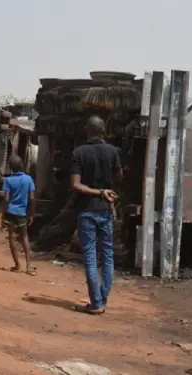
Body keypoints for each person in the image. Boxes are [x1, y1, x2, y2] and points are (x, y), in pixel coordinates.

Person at [70, 115, 122, 315]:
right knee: (107, 255)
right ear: (104, 131)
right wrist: (105, 190)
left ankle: (96, 303)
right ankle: (102, 299)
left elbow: (75, 185)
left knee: (91, 257)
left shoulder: (79, 153)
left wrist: (97, 191)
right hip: (105, 209)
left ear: (87, 131)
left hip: (86, 211)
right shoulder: (112, 152)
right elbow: (119, 177)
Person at [2, 156, 36, 276]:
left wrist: (3, 215)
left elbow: (6, 199)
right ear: (22, 165)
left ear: (11, 168)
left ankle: (17, 264)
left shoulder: (8, 180)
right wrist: (31, 213)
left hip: (11, 212)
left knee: (12, 237)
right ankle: (29, 266)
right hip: (22, 213)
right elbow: (31, 198)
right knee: (25, 237)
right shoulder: (28, 179)